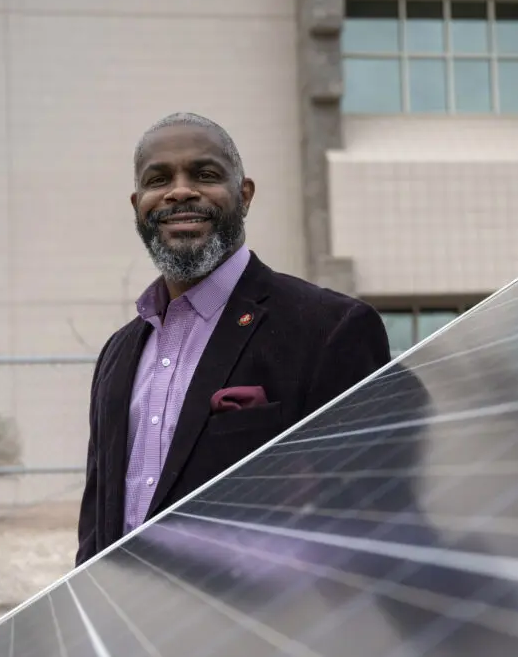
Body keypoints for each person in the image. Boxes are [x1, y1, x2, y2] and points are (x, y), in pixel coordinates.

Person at [75, 112, 391, 566]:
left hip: (257, 626)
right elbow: (97, 524)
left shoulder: (330, 329)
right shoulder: (118, 354)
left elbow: (372, 518)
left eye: (204, 174)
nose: (180, 190)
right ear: (137, 204)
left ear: (244, 195)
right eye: (158, 178)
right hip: (127, 628)